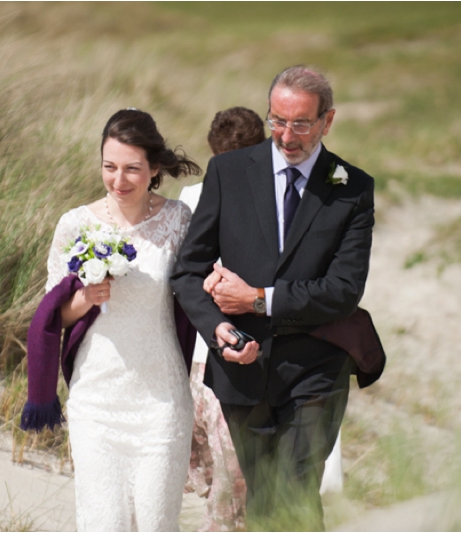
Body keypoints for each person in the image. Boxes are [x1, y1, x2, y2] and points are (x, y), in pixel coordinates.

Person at [170, 66, 381, 530]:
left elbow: (343, 291)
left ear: (327, 121)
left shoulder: (354, 188)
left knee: (295, 489)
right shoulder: (227, 172)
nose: (286, 136)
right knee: (264, 498)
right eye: (277, 121)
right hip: (241, 367)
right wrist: (220, 328)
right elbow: (188, 272)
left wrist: (258, 299)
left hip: (317, 367)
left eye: (301, 124)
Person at [21, 108, 202, 531]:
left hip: (162, 401)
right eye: (110, 167)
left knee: (157, 523)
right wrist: (84, 298)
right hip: (96, 401)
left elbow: (197, 291)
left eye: (132, 169)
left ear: (155, 168)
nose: (119, 181)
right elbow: (55, 314)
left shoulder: (178, 221)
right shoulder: (75, 224)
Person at [180, 106, 265, 532]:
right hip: (215, 353)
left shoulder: (194, 196)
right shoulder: (195, 198)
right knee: (230, 475)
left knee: (224, 474)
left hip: (208, 353)